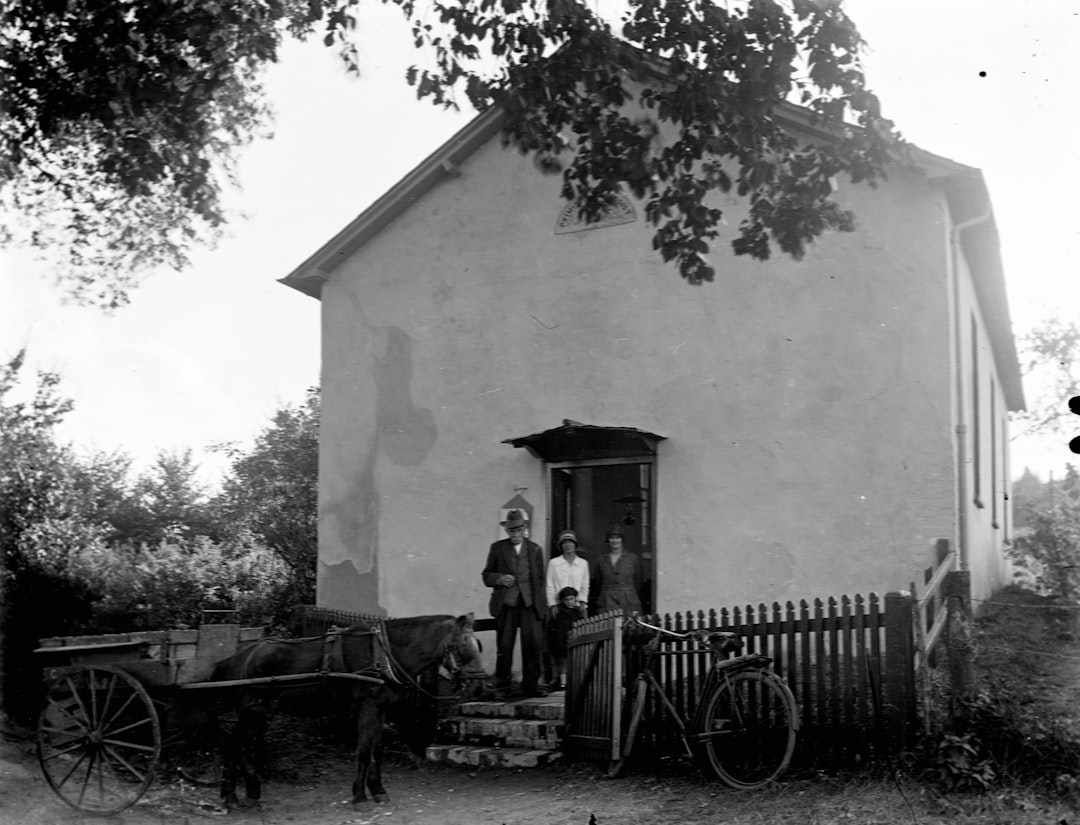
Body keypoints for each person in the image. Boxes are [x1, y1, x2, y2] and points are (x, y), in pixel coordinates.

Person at [481, 509, 547, 697]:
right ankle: (503, 687)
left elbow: (539, 580)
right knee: (505, 645)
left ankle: (531, 687)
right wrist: (500, 579)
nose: (516, 535)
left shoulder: (535, 550)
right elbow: (486, 576)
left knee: (532, 645)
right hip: (506, 604)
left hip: (529, 604)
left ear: (525, 528)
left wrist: (539, 607)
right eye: (512, 531)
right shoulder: (497, 548)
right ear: (507, 531)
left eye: (519, 530)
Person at [594, 524, 643, 615]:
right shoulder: (601, 560)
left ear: (622, 540)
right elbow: (598, 582)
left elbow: (638, 581)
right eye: (611, 538)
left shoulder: (632, 558)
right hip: (607, 600)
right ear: (608, 540)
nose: (614, 541)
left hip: (628, 601)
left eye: (617, 538)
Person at [546, 586, 585, 692]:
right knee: (562, 661)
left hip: (575, 638)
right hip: (561, 639)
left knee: (576, 660)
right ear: (562, 601)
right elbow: (553, 626)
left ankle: (576, 681)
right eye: (566, 600)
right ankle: (563, 682)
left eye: (571, 599)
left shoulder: (578, 612)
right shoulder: (558, 612)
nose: (569, 602)